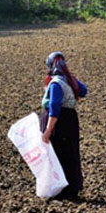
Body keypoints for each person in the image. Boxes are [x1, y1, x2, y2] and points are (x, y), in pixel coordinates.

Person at [40, 51, 88, 200]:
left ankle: (61, 189)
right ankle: (73, 186)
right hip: (71, 121)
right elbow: (84, 91)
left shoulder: (55, 83)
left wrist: (48, 130)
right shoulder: (70, 80)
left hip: (59, 123)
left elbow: (54, 108)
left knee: (57, 154)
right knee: (70, 152)